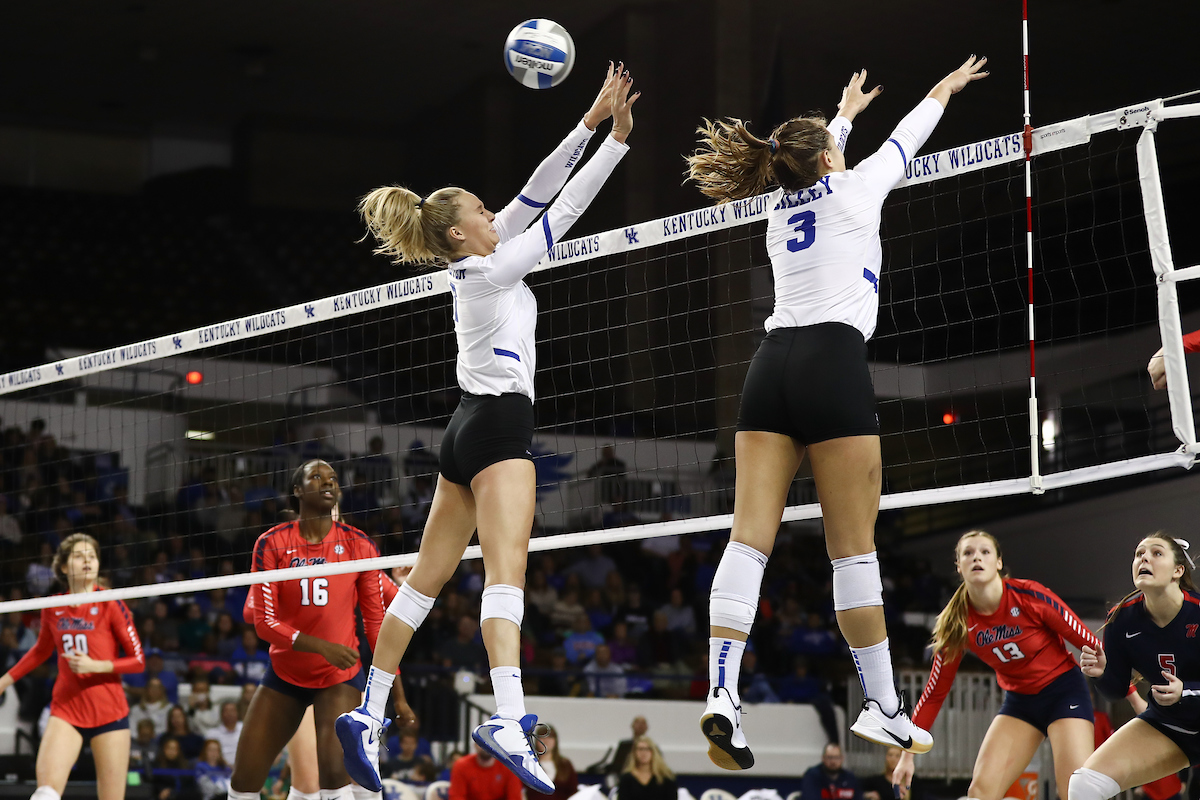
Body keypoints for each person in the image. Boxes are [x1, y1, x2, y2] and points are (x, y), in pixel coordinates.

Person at [337, 61, 639, 797]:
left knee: (421, 585)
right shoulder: (490, 270)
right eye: (479, 205)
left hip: (463, 431)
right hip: (500, 427)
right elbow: (560, 213)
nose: (492, 209)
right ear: (457, 229)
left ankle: (370, 709)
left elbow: (538, 187)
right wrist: (615, 147)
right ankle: (508, 717)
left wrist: (594, 119)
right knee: (507, 575)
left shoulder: (478, 255)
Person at [685, 57, 989, 768]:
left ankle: (723, 693)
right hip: (832, 365)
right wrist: (942, 87)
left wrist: (841, 115)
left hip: (769, 370)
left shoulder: (776, 202)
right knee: (852, 549)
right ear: (828, 157)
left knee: (746, 541)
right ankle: (884, 708)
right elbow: (911, 132)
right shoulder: (856, 189)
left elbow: (808, 157)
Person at [225, 460, 400, 800]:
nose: (327, 488)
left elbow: (389, 603)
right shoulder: (276, 545)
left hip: (337, 676)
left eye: (332, 482)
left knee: (332, 777)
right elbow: (253, 611)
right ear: (299, 494)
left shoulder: (354, 549)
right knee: (286, 779)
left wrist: (405, 583)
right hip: (288, 672)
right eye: (317, 480)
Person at [893, 530, 1100, 800]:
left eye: (984, 552)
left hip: (1064, 692)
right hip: (1020, 703)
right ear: (959, 566)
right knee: (979, 794)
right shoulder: (957, 623)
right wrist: (907, 756)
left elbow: (1089, 643)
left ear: (998, 563)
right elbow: (934, 692)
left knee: (1077, 794)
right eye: (968, 553)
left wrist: (1131, 693)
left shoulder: (1029, 596)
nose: (976, 557)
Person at [0, 533, 145, 800]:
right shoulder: (52, 606)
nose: (87, 560)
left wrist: (97, 665)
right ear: (64, 567)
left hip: (109, 712)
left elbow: (138, 661)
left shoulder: (112, 602)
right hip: (67, 709)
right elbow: (40, 651)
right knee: (45, 793)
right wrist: (4, 681)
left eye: (92, 555)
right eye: (79, 556)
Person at [1068, 534, 1200, 800]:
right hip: (1171, 726)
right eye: (1139, 553)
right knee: (1085, 785)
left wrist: (1186, 691)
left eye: (1156, 553)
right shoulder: (1121, 617)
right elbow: (1115, 690)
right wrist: (1102, 673)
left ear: (1178, 570)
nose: (1144, 558)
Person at [448, 742, 523, 800]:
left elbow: (515, 797)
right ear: (475, 744)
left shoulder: (509, 766)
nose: (485, 746)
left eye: (489, 742)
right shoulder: (461, 766)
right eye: (481, 742)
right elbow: (456, 796)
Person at [536, 724, 578, 800]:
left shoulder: (565, 765)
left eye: (550, 737)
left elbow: (573, 792)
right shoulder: (530, 764)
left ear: (555, 741)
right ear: (536, 740)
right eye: (542, 737)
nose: (546, 741)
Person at [203, 701, 241, 767]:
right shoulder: (212, 734)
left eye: (232, 710)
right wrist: (227, 766)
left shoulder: (245, 729)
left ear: (238, 713)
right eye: (226, 711)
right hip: (220, 769)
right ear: (221, 714)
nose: (230, 714)